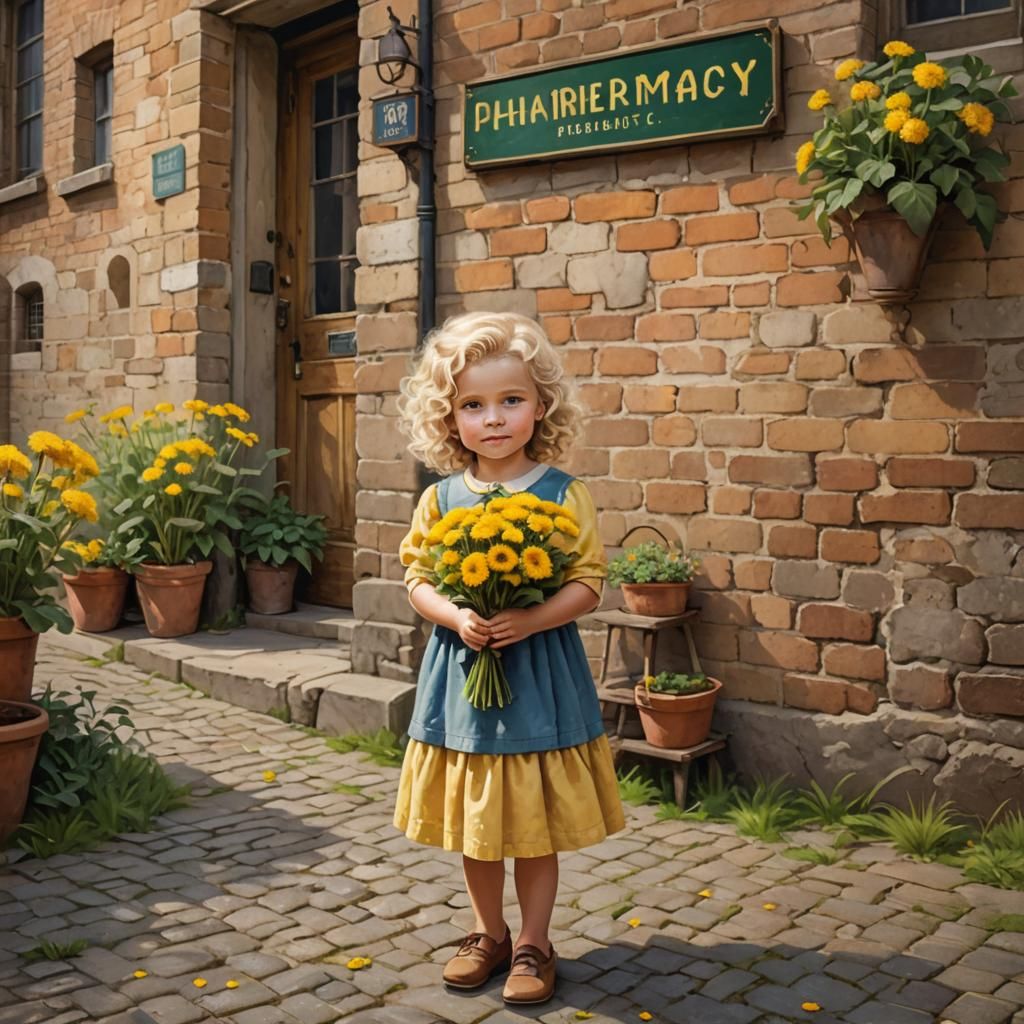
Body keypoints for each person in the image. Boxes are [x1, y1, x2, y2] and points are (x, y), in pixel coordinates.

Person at [392, 311, 625, 1007]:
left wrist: (527, 619)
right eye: (473, 405)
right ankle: (486, 931)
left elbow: (588, 582)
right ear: (449, 418)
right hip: (464, 676)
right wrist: (457, 614)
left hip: (538, 677)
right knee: (479, 820)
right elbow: (416, 578)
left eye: (510, 400)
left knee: (531, 819)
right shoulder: (440, 499)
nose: (493, 419)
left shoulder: (562, 493)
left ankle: (535, 942)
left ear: (541, 405)